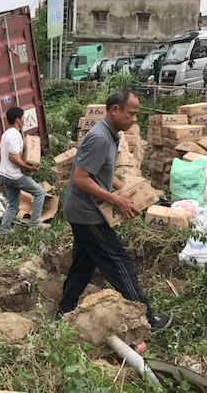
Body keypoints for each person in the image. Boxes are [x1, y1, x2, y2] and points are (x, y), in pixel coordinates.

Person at [57, 89, 172, 332]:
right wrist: (116, 200)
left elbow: (100, 175)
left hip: (82, 212)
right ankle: (147, 320)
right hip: (88, 215)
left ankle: (64, 312)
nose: (134, 120)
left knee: (83, 266)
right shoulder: (100, 138)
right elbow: (80, 179)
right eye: (131, 114)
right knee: (119, 263)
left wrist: (131, 189)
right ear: (115, 110)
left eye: (136, 115)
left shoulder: (111, 135)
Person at [0, 106, 50, 236]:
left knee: (13, 204)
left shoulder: (6, 134)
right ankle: (34, 224)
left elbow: (0, 153)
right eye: (22, 118)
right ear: (17, 120)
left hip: (4, 174)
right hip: (14, 176)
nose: (24, 120)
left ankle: (4, 231)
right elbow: (13, 156)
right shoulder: (15, 135)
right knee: (39, 192)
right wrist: (28, 167)